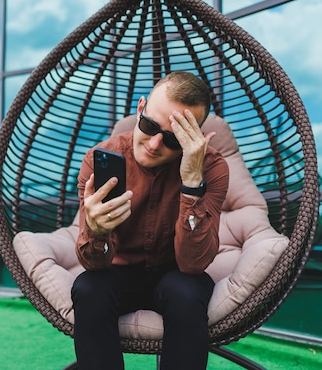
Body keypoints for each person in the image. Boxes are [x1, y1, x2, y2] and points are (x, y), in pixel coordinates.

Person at [71, 71, 230, 370]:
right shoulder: (98, 159)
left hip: (176, 272)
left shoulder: (212, 167)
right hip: (117, 270)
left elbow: (193, 264)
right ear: (140, 107)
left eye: (172, 139)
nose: (155, 144)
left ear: (193, 138)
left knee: (187, 290)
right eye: (149, 125)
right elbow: (94, 263)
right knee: (88, 287)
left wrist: (192, 181)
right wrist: (96, 230)